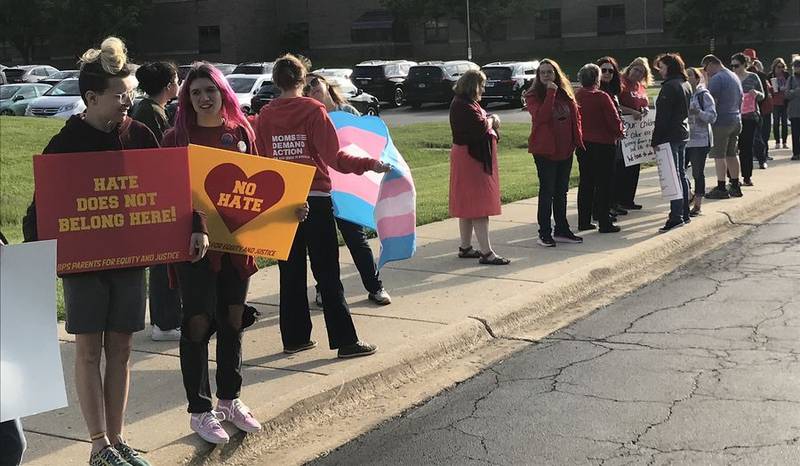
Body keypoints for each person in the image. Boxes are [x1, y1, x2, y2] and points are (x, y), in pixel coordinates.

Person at [21, 37, 179, 466]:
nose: (128, 101)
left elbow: (171, 192)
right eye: (120, 95)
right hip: (84, 265)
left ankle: (119, 437)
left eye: (130, 92)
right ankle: (98, 444)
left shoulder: (141, 134)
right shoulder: (65, 144)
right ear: (91, 98)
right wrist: (36, 253)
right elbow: (40, 211)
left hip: (129, 259)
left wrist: (193, 227)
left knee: (123, 349)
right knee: (89, 350)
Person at [161, 62, 297, 445]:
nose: (205, 98)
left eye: (211, 90)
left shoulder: (240, 132)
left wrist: (289, 209)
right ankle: (200, 411)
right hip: (194, 249)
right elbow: (171, 194)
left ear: (223, 93)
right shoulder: (176, 138)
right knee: (198, 323)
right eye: (196, 92)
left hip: (236, 247)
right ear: (187, 98)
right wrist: (197, 226)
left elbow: (258, 186)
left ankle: (230, 399)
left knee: (233, 319)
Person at [254, 54, 390, 359]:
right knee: (327, 272)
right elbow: (335, 158)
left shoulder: (264, 115)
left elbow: (263, 163)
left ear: (276, 82)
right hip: (315, 197)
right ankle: (345, 341)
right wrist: (371, 163)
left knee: (289, 274)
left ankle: (295, 338)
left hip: (282, 201)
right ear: (303, 79)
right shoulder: (314, 110)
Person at [302, 74, 393, 303]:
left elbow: (364, 146)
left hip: (347, 188)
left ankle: (375, 286)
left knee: (356, 239)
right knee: (320, 245)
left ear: (326, 84)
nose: (311, 87)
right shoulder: (308, 116)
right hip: (319, 188)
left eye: (314, 82)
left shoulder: (348, 113)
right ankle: (324, 289)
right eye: (306, 86)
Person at [129, 61, 183, 341]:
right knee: (164, 263)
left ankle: (167, 319)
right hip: (156, 196)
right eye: (176, 79)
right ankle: (165, 323)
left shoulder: (149, 109)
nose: (179, 83)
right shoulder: (152, 113)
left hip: (153, 194)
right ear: (167, 85)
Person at [448, 69, 509, 264]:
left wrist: (488, 119)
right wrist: (493, 120)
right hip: (471, 160)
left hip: (467, 157)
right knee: (478, 206)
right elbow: (479, 127)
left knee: (467, 204)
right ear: (474, 85)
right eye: (482, 85)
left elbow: (478, 120)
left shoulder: (464, 103)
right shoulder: (462, 105)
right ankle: (486, 252)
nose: (483, 89)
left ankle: (466, 247)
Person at [524, 58, 583, 247]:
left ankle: (562, 229)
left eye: (550, 72)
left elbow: (575, 117)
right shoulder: (533, 95)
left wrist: (576, 140)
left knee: (561, 192)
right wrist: (550, 92)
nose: (547, 75)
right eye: (543, 73)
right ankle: (544, 232)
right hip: (545, 151)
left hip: (565, 150)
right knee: (547, 191)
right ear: (538, 75)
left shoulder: (565, 93)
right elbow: (541, 117)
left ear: (556, 74)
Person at [574, 63, 624, 233]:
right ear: (597, 79)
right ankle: (604, 221)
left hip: (584, 144)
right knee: (604, 183)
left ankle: (583, 220)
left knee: (586, 182)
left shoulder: (577, 95)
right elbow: (614, 120)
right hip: (604, 144)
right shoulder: (602, 96)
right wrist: (619, 132)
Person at [652, 53, 692, 233]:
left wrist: (656, 139)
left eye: (661, 66)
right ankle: (684, 212)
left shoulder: (670, 87)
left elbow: (662, 117)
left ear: (670, 67)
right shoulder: (685, 84)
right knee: (681, 174)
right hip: (682, 132)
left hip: (670, 135)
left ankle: (676, 216)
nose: (660, 70)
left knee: (673, 175)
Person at [701, 54, 744, 199]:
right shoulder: (733, 76)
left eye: (706, 69)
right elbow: (741, 98)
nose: (706, 72)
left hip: (721, 121)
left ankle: (721, 187)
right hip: (735, 118)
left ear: (712, 64)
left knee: (719, 155)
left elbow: (712, 103)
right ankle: (735, 185)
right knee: (732, 153)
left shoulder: (717, 78)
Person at [616, 57, 653, 211]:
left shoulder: (640, 87)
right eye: (636, 69)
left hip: (637, 135)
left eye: (641, 72)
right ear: (629, 68)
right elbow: (615, 104)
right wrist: (631, 111)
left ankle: (628, 199)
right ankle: (617, 200)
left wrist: (645, 110)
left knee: (634, 167)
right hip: (624, 131)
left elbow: (645, 104)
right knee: (621, 168)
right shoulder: (621, 83)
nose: (638, 74)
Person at [596, 56, 627, 220]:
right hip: (601, 140)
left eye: (611, 70)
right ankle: (602, 208)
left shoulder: (612, 91)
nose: (607, 73)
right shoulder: (597, 91)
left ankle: (612, 204)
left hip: (614, 138)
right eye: (604, 70)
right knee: (602, 176)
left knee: (614, 173)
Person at [685, 67, 717, 216]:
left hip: (700, 140)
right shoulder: (683, 94)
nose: (687, 77)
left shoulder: (703, 95)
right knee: (680, 171)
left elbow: (712, 117)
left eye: (690, 75)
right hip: (684, 139)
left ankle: (697, 205)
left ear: (697, 78)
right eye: (685, 75)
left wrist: (698, 112)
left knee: (698, 172)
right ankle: (689, 194)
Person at [750, 60, 773, 163]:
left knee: (763, 133)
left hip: (763, 109)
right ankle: (756, 154)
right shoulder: (741, 76)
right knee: (756, 134)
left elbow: (763, 94)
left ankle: (763, 155)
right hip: (752, 110)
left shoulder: (761, 76)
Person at [770, 58, 790, 150]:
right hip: (775, 102)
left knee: (785, 123)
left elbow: (790, 85)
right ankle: (777, 142)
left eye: (782, 66)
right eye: (779, 67)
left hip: (784, 102)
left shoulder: (786, 75)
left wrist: (785, 88)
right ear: (774, 66)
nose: (781, 69)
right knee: (776, 122)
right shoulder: (770, 76)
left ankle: (785, 142)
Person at [787, 57, 800, 160]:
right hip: (794, 111)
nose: (796, 68)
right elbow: (786, 94)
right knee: (795, 134)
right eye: (795, 66)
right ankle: (796, 153)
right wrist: (796, 91)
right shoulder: (790, 79)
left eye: (798, 66)